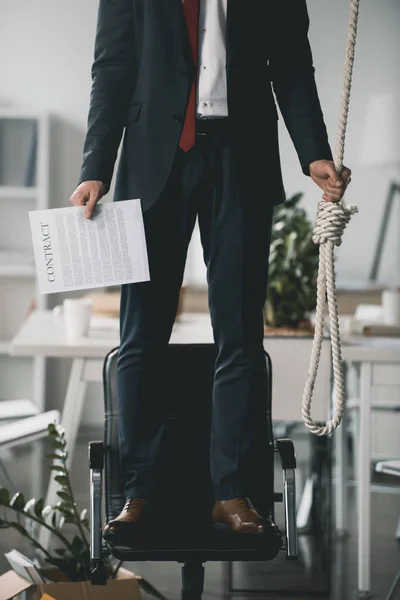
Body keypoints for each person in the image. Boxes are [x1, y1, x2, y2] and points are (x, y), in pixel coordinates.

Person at [71, 0, 351, 535]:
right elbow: (112, 67)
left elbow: (292, 61)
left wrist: (313, 151)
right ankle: (139, 491)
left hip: (241, 155)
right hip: (155, 156)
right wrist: (95, 167)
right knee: (140, 336)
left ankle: (232, 493)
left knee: (241, 335)